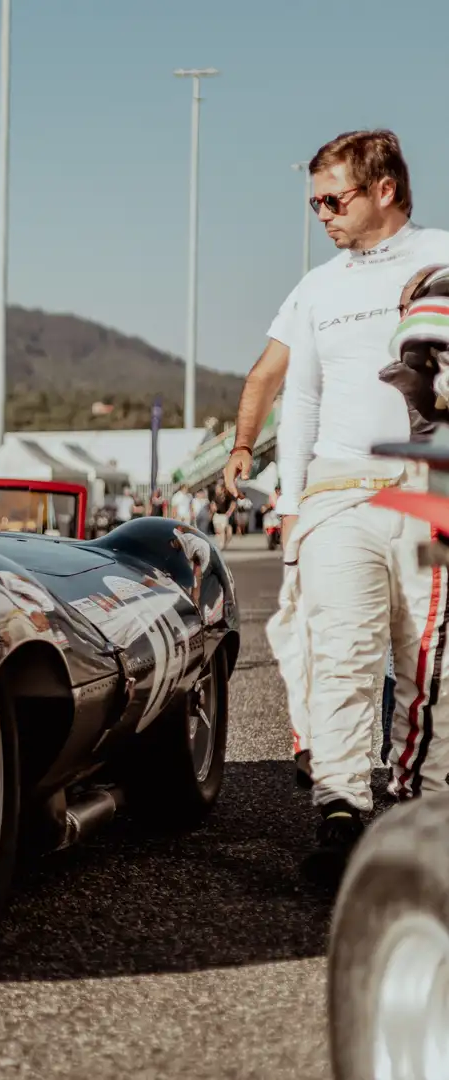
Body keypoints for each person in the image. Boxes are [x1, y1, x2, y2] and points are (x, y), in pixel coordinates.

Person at [275, 129, 449, 858]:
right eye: (314, 203)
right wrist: (290, 503)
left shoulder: (443, 254)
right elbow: (299, 397)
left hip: (430, 486)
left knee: (428, 661)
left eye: (333, 200)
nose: (322, 214)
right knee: (342, 653)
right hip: (338, 488)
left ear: (384, 189)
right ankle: (341, 808)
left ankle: (423, 810)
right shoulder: (317, 287)